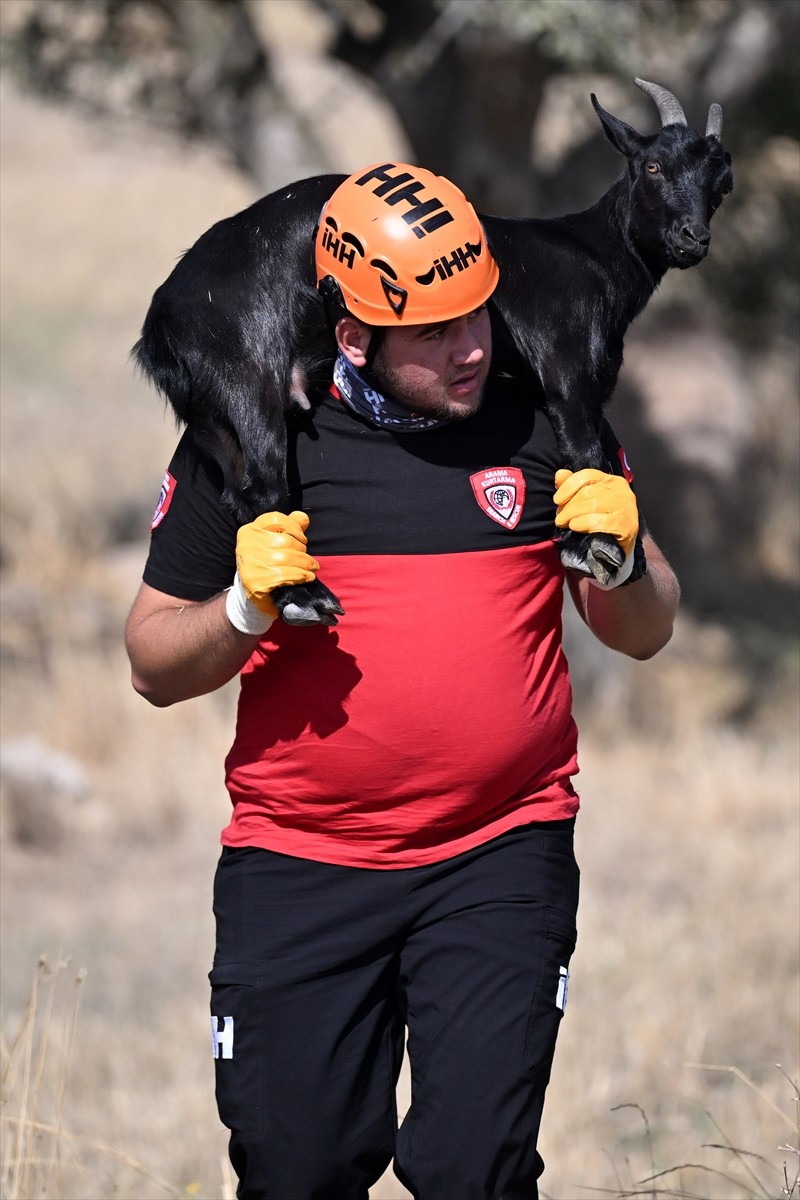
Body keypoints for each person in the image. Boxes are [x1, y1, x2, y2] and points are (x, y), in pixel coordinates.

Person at [125, 162, 680, 1200]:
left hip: (497, 857)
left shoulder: (544, 413)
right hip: (300, 866)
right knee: (300, 1171)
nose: (470, 346)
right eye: (430, 331)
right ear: (351, 337)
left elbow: (642, 631)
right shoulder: (254, 443)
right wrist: (243, 611)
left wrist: (624, 555)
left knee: (473, 1171)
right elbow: (153, 661)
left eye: (474, 315)